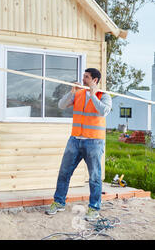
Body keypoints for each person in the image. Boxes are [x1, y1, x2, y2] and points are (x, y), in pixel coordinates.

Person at [45, 68, 112, 221]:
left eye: (86, 77)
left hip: (94, 142)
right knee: (64, 172)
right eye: (83, 76)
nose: (83, 79)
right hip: (75, 140)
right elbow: (61, 105)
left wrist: (93, 95)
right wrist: (71, 92)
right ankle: (59, 202)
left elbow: (104, 112)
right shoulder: (79, 93)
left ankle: (94, 208)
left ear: (94, 80)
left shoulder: (104, 96)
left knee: (94, 177)